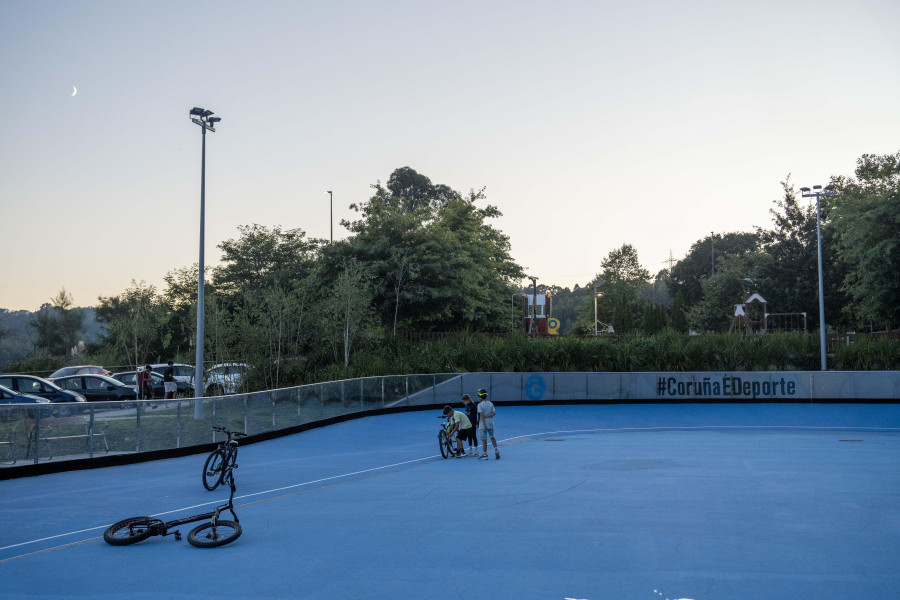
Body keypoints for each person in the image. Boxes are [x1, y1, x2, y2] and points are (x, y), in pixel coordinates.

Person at [476, 388, 500, 460]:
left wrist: (484, 425)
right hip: (490, 423)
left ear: (480, 397)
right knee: (492, 437)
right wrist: (488, 415)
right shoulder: (490, 403)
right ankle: (496, 450)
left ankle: (485, 454)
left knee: (484, 439)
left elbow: (481, 416)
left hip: (483, 424)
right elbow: (494, 413)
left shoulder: (480, 405)